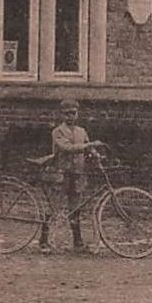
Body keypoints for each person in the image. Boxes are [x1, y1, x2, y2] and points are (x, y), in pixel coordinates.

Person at [39, 99, 103, 253]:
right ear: (62, 115)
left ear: (77, 114)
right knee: (54, 208)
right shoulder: (58, 131)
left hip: (77, 174)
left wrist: (96, 154)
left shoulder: (81, 131)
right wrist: (88, 146)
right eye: (67, 114)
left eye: (73, 113)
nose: (70, 117)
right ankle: (43, 241)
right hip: (61, 174)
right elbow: (66, 147)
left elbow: (88, 148)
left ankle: (78, 242)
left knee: (75, 209)